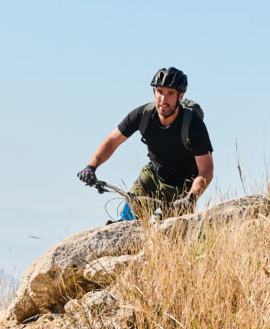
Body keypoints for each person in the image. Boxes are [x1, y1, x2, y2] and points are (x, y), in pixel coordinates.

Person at [77, 67, 215, 219]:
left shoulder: (193, 125)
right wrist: (91, 166)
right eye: (160, 92)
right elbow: (111, 142)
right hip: (151, 179)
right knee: (125, 225)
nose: (163, 99)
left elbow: (206, 170)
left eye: (170, 93)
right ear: (154, 92)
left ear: (180, 96)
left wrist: (191, 198)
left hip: (181, 188)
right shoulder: (143, 115)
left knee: (173, 236)